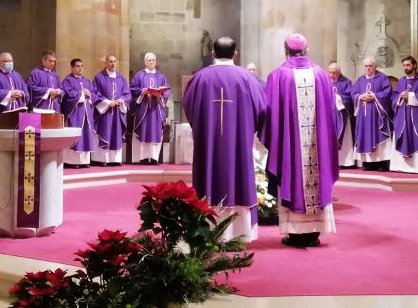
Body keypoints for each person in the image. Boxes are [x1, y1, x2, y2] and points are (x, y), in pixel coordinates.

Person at [182, 37, 267, 242]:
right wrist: (249, 127)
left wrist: (202, 126)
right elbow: (262, 108)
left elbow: (188, 105)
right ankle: (240, 231)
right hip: (238, 143)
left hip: (208, 144)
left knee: (208, 175)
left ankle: (208, 231)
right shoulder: (247, 78)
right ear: (235, 54)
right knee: (238, 175)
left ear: (213, 53)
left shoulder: (200, 78)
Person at [261, 34, 338, 248]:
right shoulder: (321, 75)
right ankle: (314, 232)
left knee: (293, 172)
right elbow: (331, 111)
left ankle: (295, 233)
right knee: (317, 170)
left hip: (292, 149)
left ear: (285, 51)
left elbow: (269, 113)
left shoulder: (278, 76)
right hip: (317, 146)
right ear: (306, 49)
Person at [352, 57, 393, 171]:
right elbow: (353, 93)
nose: (368, 68)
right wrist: (360, 97)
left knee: (378, 136)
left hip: (377, 114)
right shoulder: (360, 79)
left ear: (375, 66)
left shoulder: (382, 78)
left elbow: (387, 92)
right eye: (366, 66)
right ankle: (368, 163)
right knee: (365, 136)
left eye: (370, 66)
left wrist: (374, 96)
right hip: (364, 115)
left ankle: (381, 163)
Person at [390, 56, 418, 174]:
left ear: (414, 65)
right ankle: (401, 166)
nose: (405, 68)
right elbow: (393, 97)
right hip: (402, 116)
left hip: (415, 116)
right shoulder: (401, 81)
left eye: (408, 65)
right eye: (404, 65)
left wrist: (411, 96)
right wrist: (399, 97)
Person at [130, 52, 170, 164]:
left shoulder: (161, 76)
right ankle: (143, 157)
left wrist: (160, 95)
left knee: (155, 132)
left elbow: (167, 91)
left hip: (156, 110)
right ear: (145, 62)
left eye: (153, 60)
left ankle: (154, 158)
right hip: (143, 109)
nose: (151, 62)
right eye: (149, 60)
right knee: (143, 131)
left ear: (155, 62)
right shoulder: (139, 75)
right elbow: (132, 89)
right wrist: (141, 92)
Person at [92, 54, 131, 166]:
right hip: (105, 112)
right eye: (110, 61)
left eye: (114, 61)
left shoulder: (121, 78)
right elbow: (95, 93)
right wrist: (108, 102)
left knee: (116, 133)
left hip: (117, 111)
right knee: (104, 132)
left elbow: (127, 93)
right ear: (106, 63)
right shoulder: (99, 77)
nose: (113, 64)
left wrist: (121, 101)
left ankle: (115, 159)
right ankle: (102, 159)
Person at [61, 59, 98, 168]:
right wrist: (82, 94)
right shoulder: (68, 80)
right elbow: (68, 95)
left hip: (87, 112)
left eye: (82, 66)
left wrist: (90, 94)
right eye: (77, 66)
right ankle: (72, 161)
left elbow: (95, 94)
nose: (80, 68)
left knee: (86, 134)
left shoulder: (87, 81)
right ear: (72, 68)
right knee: (76, 135)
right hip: (75, 112)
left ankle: (84, 161)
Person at [327, 62, 356, 168]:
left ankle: (345, 162)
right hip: (329, 116)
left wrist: (338, 98)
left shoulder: (346, 82)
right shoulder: (326, 82)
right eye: (330, 72)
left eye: (334, 73)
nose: (331, 75)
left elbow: (350, 97)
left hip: (342, 116)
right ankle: (331, 162)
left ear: (339, 73)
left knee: (345, 139)